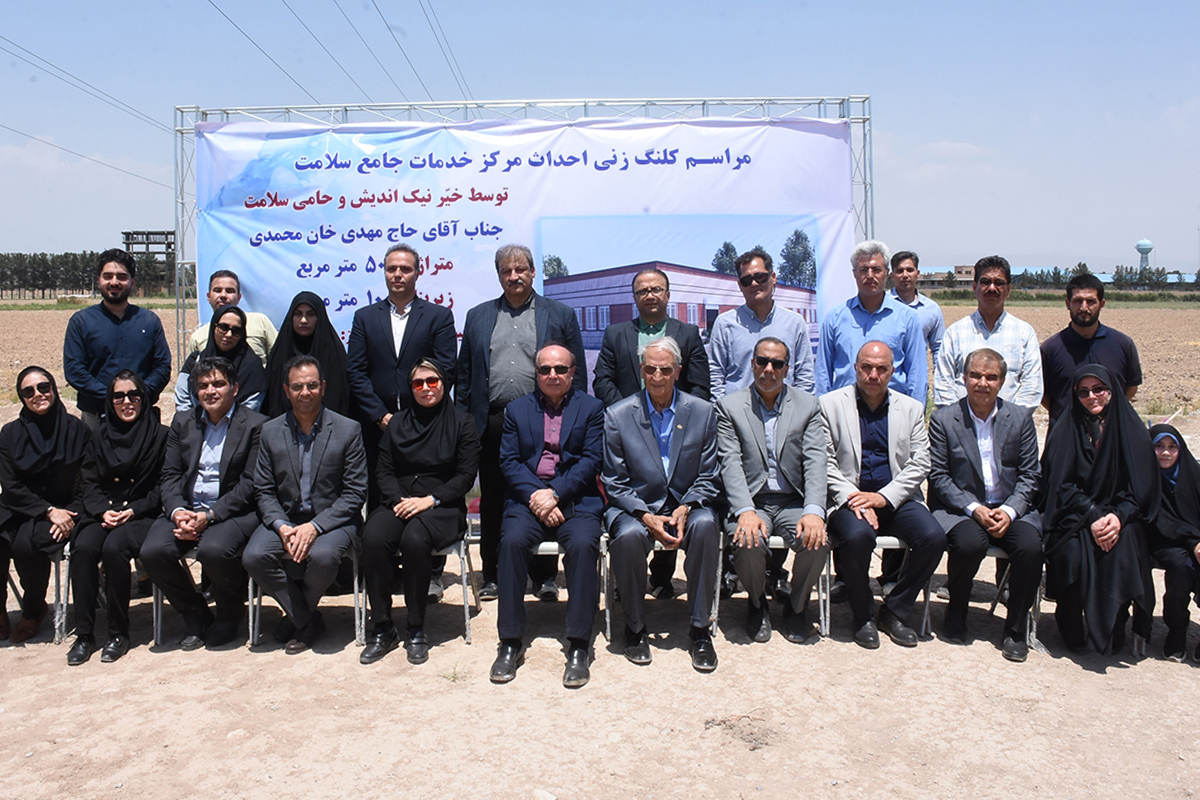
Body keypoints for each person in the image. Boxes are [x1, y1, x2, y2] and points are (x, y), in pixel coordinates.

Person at [456, 244, 587, 602]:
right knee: (493, 498)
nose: (514, 276)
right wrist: (464, 424)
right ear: (499, 275)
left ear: (533, 272)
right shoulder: (478, 316)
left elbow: (576, 374)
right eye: (506, 271)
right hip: (492, 422)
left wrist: (573, 420)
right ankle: (493, 575)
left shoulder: (559, 314)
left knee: (542, 492)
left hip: (544, 420)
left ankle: (543, 576)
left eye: (520, 269)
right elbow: (465, 375)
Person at [602, 337, 721, 671]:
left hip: (687, 503)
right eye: (651, 369)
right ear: (642, 370)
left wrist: (686, 507)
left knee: (706, 525)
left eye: (665, 370)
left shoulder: (702, 412)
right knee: (628, 536)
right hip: (636, 506)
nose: (657, 376)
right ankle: (634, 627)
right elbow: (614, 480)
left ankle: (700, 629)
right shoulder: (618, 415)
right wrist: (645, 515)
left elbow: (709, 474)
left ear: (678, 372)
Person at [489, 344, 605, 688]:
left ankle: (579, 644)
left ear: (573, 372)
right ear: (535, 373)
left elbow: (591, 460)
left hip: (576, 499)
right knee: (511, 543)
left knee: (583, 546)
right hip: (528, 500)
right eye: (545, 369)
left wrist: (555, 494)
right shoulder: (516, 410)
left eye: (560, 369)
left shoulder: (592, 408)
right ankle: (510, 642)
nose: (552, 375)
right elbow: (509, 461)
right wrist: (538, 496)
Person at [346, 243, 457, 599]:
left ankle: (432, 572)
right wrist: (380, 416)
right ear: (384, 272)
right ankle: (388, 571)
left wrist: (411, 416)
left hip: (425, 424)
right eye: (391, 268)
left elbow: (445, 367)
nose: (398, 275)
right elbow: (356, 371)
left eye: (405, 269)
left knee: (428, 489)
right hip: (376, 425)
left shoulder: (438, 316)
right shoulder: (365, 317)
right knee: (384, 494)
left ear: (418, 272)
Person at [593, 266, 710, 600]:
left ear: (668, 295)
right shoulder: (616, 333)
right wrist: (629, 414)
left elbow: (700, 385)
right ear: (634, 297)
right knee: (637, 501)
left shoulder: (688, 333)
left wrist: (684, 418)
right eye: (643, 290)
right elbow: (603, 380)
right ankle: (629, 581)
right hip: (630, 433)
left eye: (656, 289)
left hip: (676, 429)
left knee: (671, 491)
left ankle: (661, 578)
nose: (650, 295)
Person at [821, 341, 946, 649]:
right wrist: (856, 498)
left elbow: (921, 462)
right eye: (866, 367)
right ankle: (862, 614)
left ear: (892, 371)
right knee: (857, 537)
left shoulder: (911, 408)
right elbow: (823, 462)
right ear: (855, 368)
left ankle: (895, 610)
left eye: (881, 369)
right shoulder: (830, 405)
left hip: (897, 498)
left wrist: (883, 498)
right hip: (849, 500)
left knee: (933, 538)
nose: (873, 375)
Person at [244, 355, 368, 654]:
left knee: (323, 556)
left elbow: (355, 493)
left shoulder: (348, 430)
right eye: (298, 387)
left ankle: (297, 617)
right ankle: (305, 619)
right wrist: (281, 526)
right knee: (254, 556)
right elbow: (263, 489)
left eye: (312, 385)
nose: (305, 392)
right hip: (285, 519)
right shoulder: (270, 431)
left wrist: (315, 527)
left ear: (323, 387)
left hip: (333, 521)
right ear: (287, 391)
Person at [140, 357, 267, 650]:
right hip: (186, 509)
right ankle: (195, 613)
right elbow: (170, 475)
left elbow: (250, 483)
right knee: (153, 551)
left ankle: (229, 613)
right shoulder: (183, 422)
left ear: (234, 388)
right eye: (203, 385)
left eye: (218, 384)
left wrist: (209, 515)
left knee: (214, 550)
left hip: (231, 512)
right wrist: (177, 512)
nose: (210, 391)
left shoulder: (256, 425)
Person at [359, 359, 480, 666]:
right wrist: (399, 499)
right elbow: (383, 470)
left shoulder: (462, 422)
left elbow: (465, 477)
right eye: (418, 383)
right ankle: (383, 627)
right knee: (373, 537)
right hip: (399, 501)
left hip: (442, 506)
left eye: (432, 381)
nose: (426, 388)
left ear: (444, 384)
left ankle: (415, 628)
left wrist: (430, 500)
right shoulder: (397, 423)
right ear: (410, 388)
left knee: (414, 539)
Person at [927, 348, 1043, 662]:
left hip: (1009, 508)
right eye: (975, 375)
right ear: (964, 378)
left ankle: (1016, 629)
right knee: (968, 544)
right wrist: (974, 508)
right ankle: (956, 611)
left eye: (991, 377)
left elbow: (1031, 474)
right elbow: (938, 476)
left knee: (1031, 547)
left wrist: (1010, 510)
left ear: (1002, 382)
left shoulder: (1020, 419)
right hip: (962, 509)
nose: (982, 383)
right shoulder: (944, 420)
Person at [716, 337, 829, 646]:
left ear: (786, 369)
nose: (769, 369)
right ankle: (756, 604)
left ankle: (797, 606)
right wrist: (745, 510)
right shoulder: (730, 406)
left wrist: (814, 511)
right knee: (747, 540)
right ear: (752, 364)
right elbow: (730, 462)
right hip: (752, 500)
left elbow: (816, 460)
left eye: (777, 363)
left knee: (817, 540)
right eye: (762, 361)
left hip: (793, 501)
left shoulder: (808, 405)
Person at [1041, 365, 1159, 655]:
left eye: (1098, 389)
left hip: (1122, 515)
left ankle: (1115, 624)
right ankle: (1070, 622)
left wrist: (1117, 517)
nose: (1091, 397)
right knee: (1070, 553)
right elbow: (1060, 484)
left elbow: (1141, 487)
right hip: (1074, 512)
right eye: (1083, 392)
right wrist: (1094, 515)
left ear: (1111, 391)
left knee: (1125, 546)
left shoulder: (1131, 430)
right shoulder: (1066, 428)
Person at [67, 371, 169, 664]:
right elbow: (88, 482)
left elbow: (163, 484)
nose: (127, 402)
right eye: (119, 396)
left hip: (142, 514)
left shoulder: (160, 435)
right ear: (110, 402)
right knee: (83, 547)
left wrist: (134, 509)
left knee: (114, 549)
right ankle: (84, 634)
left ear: (143, 398)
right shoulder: (98, 435)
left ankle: (117, 633)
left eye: (134, 395)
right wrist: (102, 510)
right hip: (104, 511)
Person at [0, 367, 90, 643]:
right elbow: (11, 485)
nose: (37, 395)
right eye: (28, 391)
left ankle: (33, 610)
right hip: (20, 505)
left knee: (27, 545)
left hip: (65, 507)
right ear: (21, 397)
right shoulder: (10, 434)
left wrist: (66, 512)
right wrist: (46, 510)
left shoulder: (76, 430)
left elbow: (88, 480)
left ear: (53, 389)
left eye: (43, 387)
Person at [63, 248, 172, 429]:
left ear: (132, 282)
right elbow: (74, 371)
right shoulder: (81, 322)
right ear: (99, 280)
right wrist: (112, 397)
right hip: (96, 419)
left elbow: (162, 367)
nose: (114, 282)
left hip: (142, 418)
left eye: (121, 277)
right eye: (108, 276)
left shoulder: (149, 321)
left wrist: (137, 396)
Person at [816, 240, 927, 401]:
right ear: (854, 273)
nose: (870, 275)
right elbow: (822, 372)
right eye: (863, 270)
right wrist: (822, 410)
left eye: (876, 269)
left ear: (887, 273)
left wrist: (915, 411)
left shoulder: (907, 318)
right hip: (844, 407)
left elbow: (917, 373)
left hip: (893, 408)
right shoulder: (835, 318)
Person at [934, 255, 1042, 410]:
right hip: (961, 422)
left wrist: (1012, 420)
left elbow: (1032, 387)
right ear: (974, 287)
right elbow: (943, 384)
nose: (992, 288)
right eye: (985, 282)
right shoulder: (955, 333)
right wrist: (957, 420)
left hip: (1012, 423)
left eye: (999, 283)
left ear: (1008, 289)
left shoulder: (1024, 334)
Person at [709, 248, 814, 399]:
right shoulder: (725, 324)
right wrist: (722, 410)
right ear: (740, 286)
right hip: (736, 411)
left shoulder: (794, 323)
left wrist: (798, 410)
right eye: (746, 280)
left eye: (760, 277)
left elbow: (805, 377)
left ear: (773, 277)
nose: (754, 283)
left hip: (785, 410)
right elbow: (715, 376)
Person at [1040, 273, 1142, 428]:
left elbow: (1131, 387)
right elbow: (1043, 394)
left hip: (1111, 432)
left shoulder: (1122, 344)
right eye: (1077, 301)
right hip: (1065, 435)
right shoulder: (1050, 349)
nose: (1083, 307)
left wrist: (1109, 413)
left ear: (1102, 304)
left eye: (1091, 301)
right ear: (1068, 303)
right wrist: (1067, 417)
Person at [1146, 425, 1200, 661]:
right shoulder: (1145, 479)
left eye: (1172, 447)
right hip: (1164, 542)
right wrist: (1194, 542)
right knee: (1181, 567)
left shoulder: (1194, 475)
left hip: (1196, 542)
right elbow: (1159, 520)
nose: (1166, 453)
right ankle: (1177, 630)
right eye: (1159, 446)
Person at [265, 291, 351, 418]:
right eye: (298, 314)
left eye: (310, 314)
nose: (304, 320)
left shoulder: (334, 354)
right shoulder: (280, 353)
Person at [175, 305, 267, 414]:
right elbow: (183, 400)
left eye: (236, 331)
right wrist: (195, 422)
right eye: (223, 327)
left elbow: (251, 409)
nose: (229, 334)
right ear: (213, 327)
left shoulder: (252, 366)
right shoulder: (195, 361)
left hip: (239, 424)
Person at [188, 269, 278, 366]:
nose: (223, 295)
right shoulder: (198, 338)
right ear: (209, 296)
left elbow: (279, 357)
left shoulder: (260, 322)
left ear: (238, 297)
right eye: (217, 290)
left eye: (229, 291)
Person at [889, 250, 945, 364]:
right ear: (892, 276)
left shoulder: (931, 309)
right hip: (887, 374)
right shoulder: (881, 304)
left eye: (910, 270)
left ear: (918, 274)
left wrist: (938, 374)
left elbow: (939, 348)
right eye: (900, 271)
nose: (905, 275)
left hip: (918, 373)